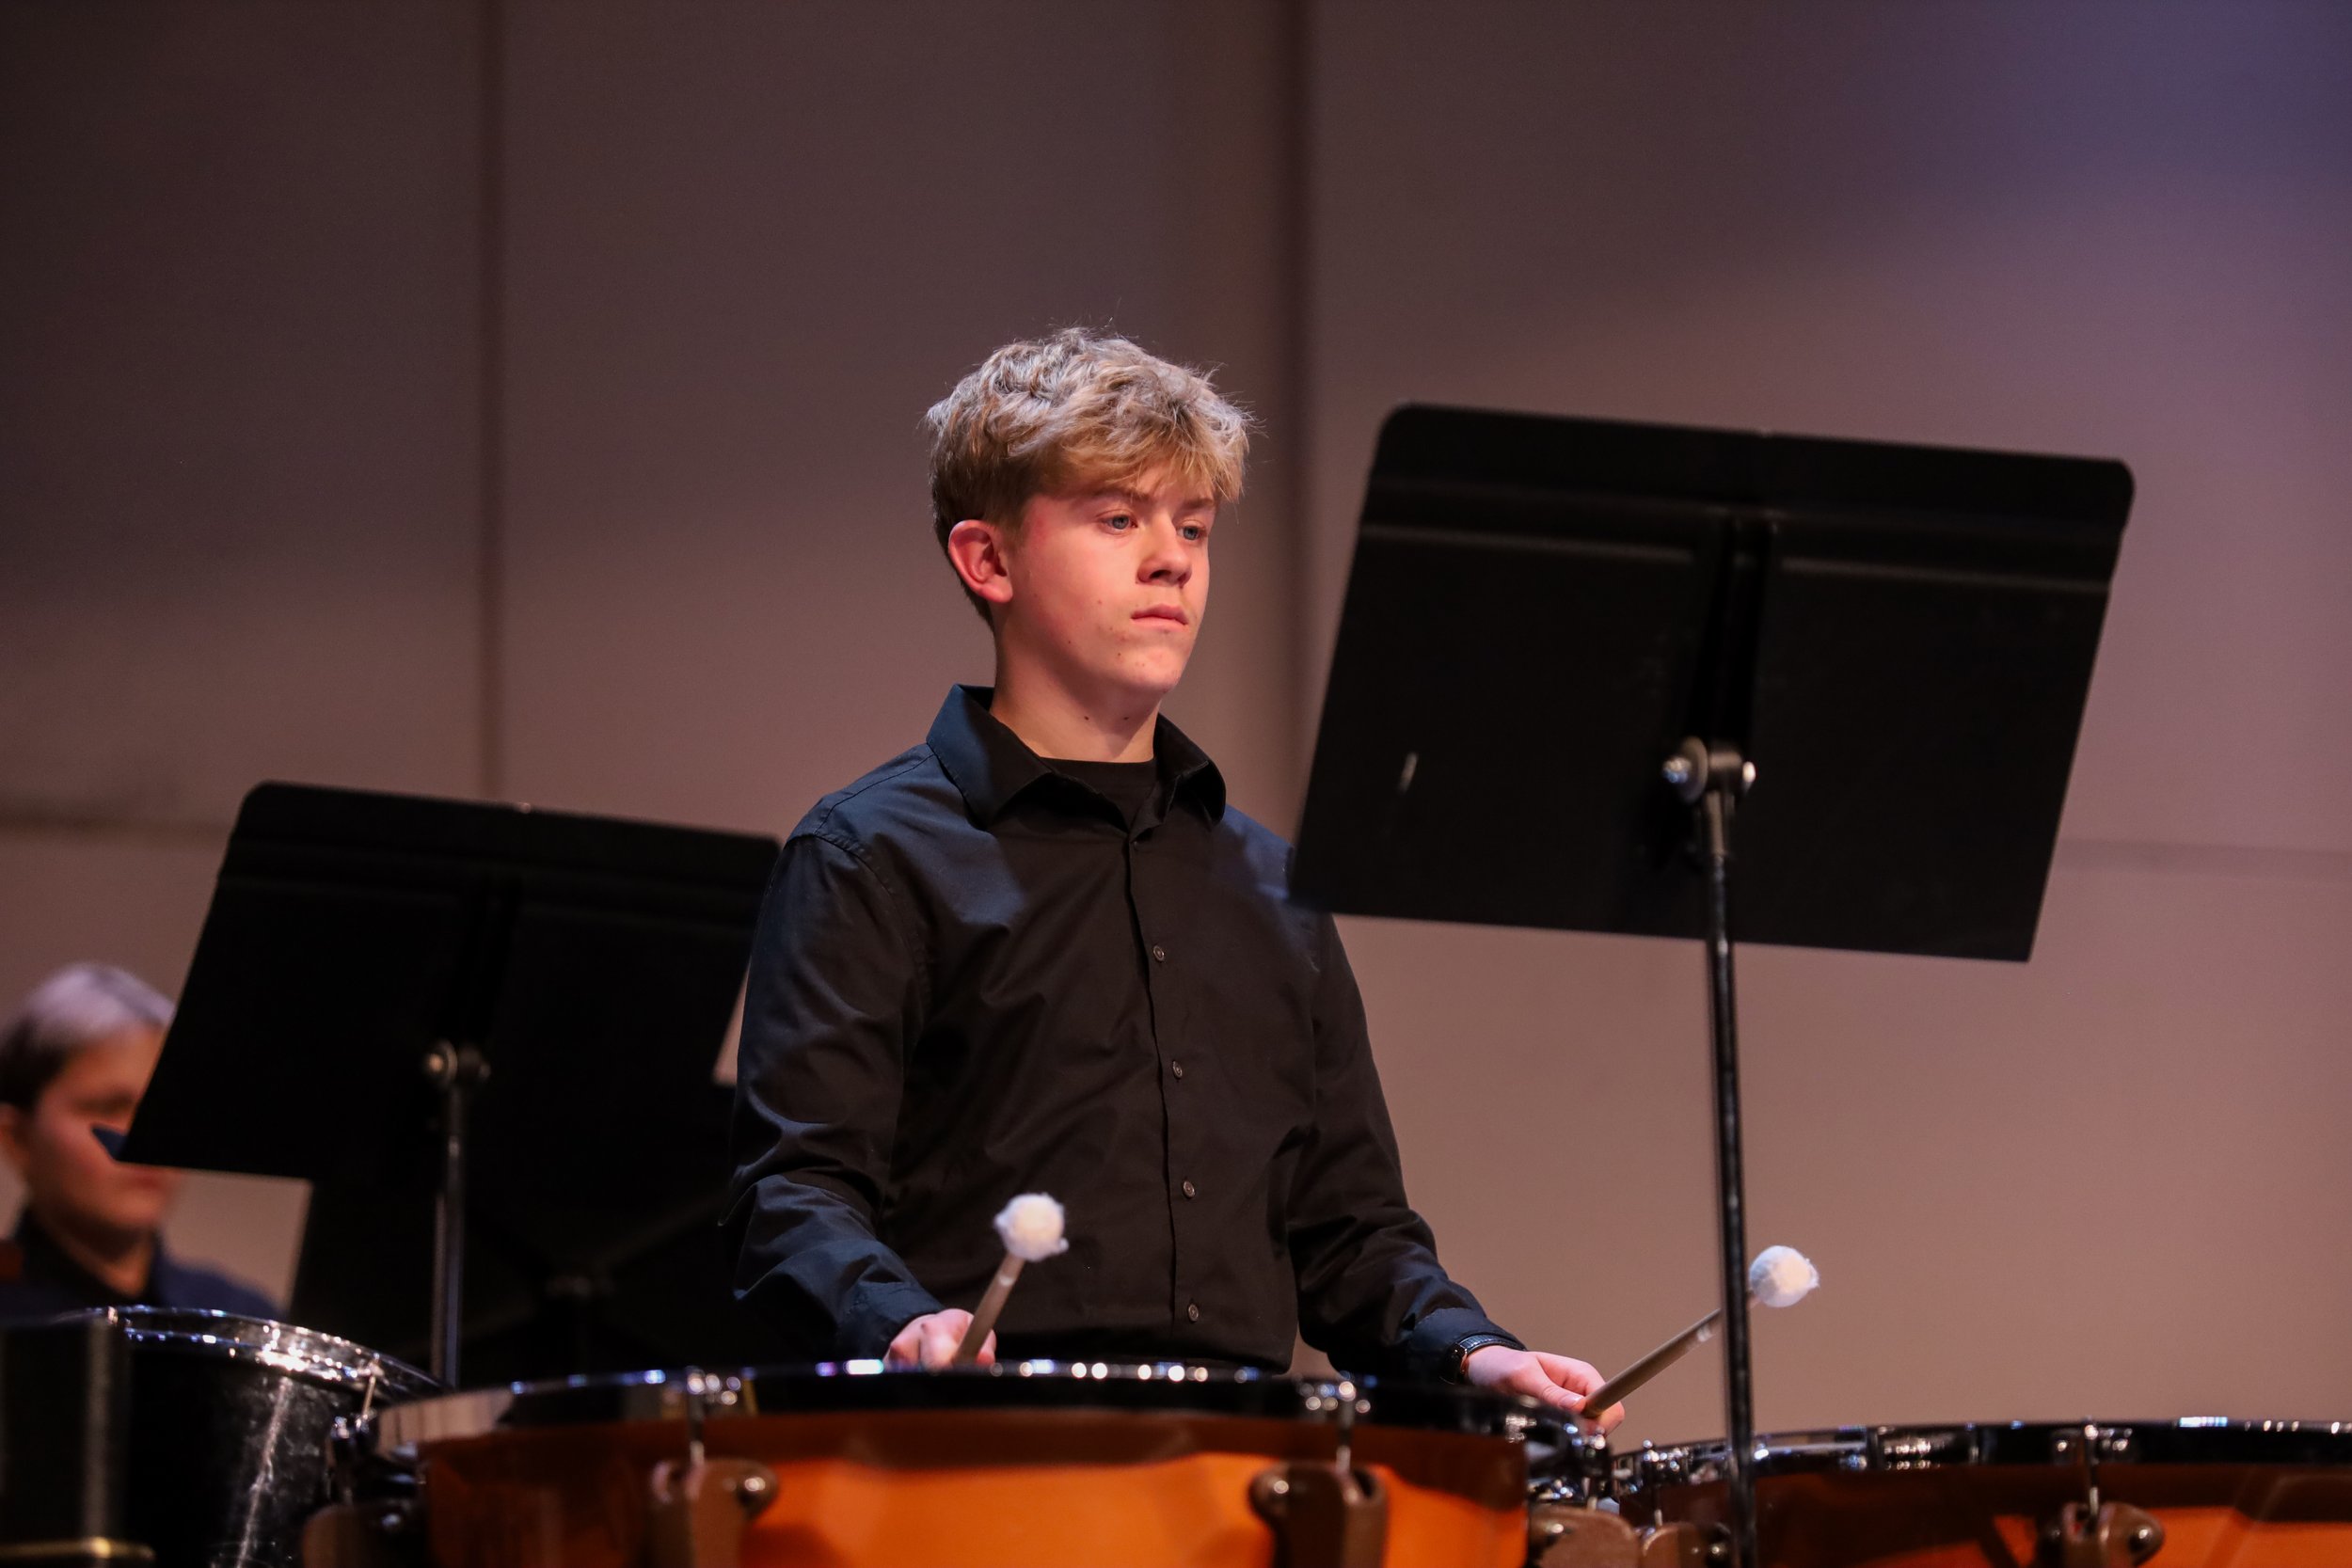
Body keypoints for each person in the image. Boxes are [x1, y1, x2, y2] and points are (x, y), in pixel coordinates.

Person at [725, 328, 1622, 1426]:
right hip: (980, 1453)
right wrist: (901, 1319)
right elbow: (795, 1195)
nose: (1174, 560)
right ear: (988, 560)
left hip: (1243, 1461)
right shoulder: (872, 857)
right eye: (1118, 519)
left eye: (1192, 526)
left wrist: (1472, 1350)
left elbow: (1349, 1234)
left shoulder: (1270, 882)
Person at [0, 963, 277, 1322]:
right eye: (108, 1107)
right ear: (18, 1139)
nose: (144, 1136)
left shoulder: (241, 1318)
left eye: (163, 1106)